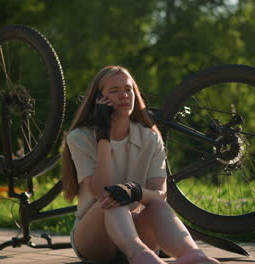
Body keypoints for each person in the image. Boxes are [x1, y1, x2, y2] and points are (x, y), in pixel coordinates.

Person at [62, 65, 219, 264]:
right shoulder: (80, 137)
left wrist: (135, 191)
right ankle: (141, 257)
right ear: (98, 100)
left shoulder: (151, 138)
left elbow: (159, 194)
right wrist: (103, 135)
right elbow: (100, 190)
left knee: (158, 206)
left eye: (128, 89)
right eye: (114, 91)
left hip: (139, 231)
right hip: (94, 240)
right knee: (112, 199)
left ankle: (193, 256)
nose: (124, 95)